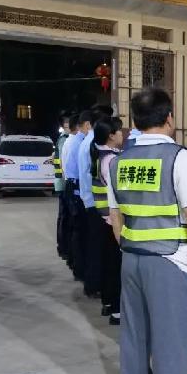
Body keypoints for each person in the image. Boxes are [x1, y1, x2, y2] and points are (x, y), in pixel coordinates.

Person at [109, 88, 187, 374]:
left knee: (135, 336)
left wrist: (130, 248)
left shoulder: (118, 162)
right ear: (169, 118)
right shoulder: (179, 158)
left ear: (135, 121)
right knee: (172, 341)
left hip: (131, 259)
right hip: (169, 261)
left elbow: (115, 217)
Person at [91, 116, 124, 325]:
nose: (122, 134)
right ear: (111, 135)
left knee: (109, 263)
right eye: (119, 131)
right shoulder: (111, 160)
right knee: (117, 266)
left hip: (104, 219)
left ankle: (109, 303)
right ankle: (117, 311)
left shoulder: (101, 155)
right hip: (113, 221)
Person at [77, 109, 105, 297]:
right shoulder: (94, 142)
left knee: (93, 244)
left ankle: (92, 283)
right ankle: (94, 285)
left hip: (89, 199)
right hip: (96, 202)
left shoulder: (86, 142)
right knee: (97, 247)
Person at [63, 113, 87, 280]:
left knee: (73, 226)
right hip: (75, 186)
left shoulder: (70, 141)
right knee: (78, 229)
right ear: (81, 126)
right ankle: (77, 267)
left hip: (71, 185)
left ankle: (73, 261)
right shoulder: (78, 143)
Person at [54, 116, 70, 259]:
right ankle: (63, 247)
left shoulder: (63, 138)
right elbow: (63, 164)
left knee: (63, 216)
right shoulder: (64, 139)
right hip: (63, 184)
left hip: (62, 183)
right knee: (64, 217)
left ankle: (62, 246)